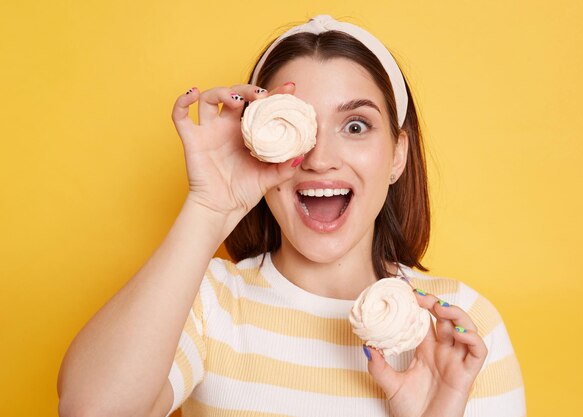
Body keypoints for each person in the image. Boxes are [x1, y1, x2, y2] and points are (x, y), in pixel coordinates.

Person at [57, 15, 525, 417]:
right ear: (258, 142)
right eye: (296, 123)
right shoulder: (209, 305)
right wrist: (208, 205)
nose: (321, 158)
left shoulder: (458, 329)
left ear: (398, 155)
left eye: (356, 126)